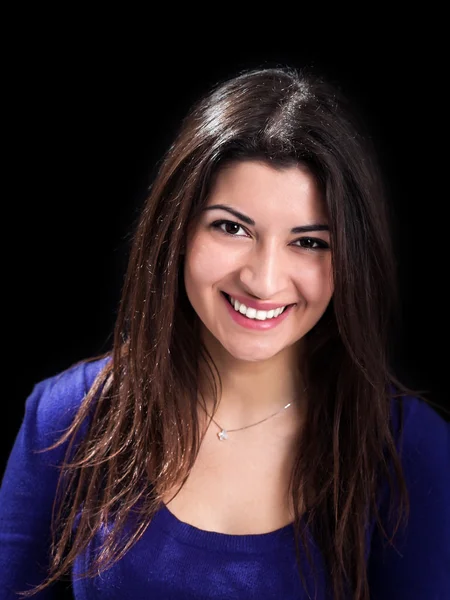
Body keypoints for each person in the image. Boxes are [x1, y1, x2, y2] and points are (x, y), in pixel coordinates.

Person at [1, 66, 449, 600]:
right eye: (232, 228)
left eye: (308, 242)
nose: (263, 280)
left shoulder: (407, 448)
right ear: (179, 229)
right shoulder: (67, 417)